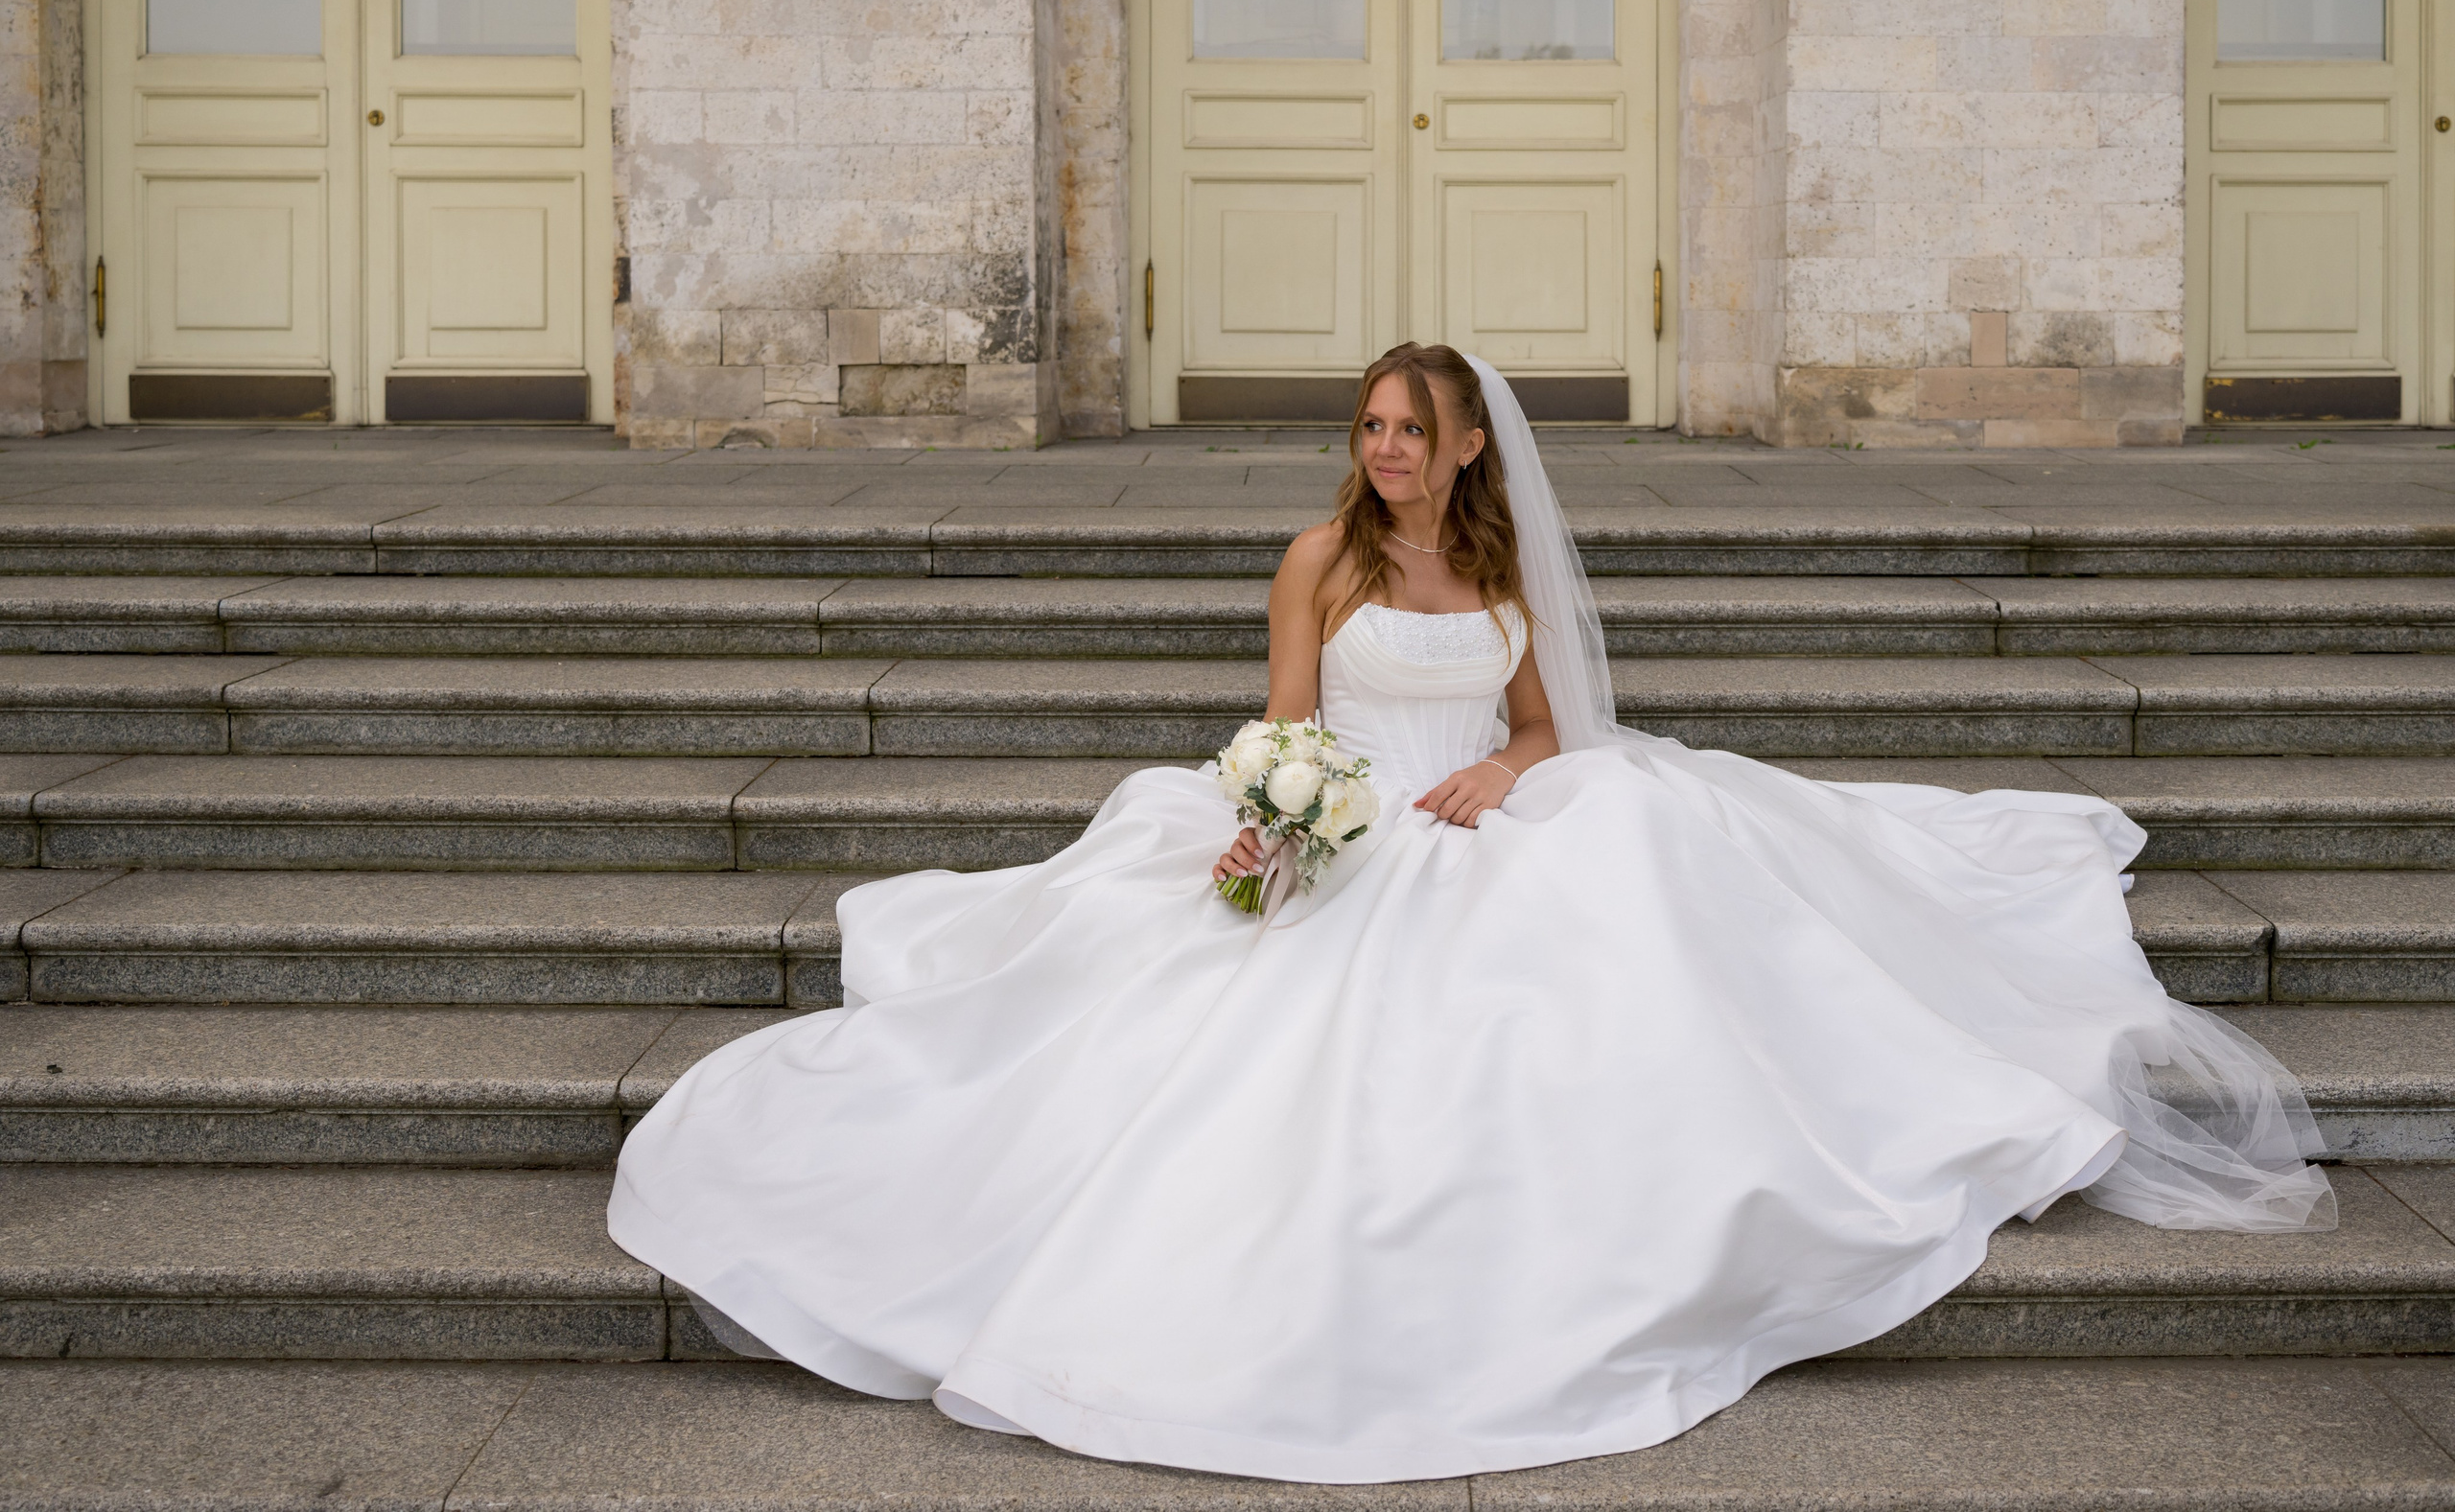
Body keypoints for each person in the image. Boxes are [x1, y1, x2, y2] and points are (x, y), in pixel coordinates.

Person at [609, 342, 2333, 1485]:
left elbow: (1531, 729)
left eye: (1407, 435)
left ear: (1457, 452)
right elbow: (1288, 721)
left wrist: (1512, 780)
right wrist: (1287, 824)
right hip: (1345, 815)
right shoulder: (1322, 561)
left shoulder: (1501, 571)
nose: (1383, 456)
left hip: (1481, 810)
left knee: (1635, 871)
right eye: (1367, 431)